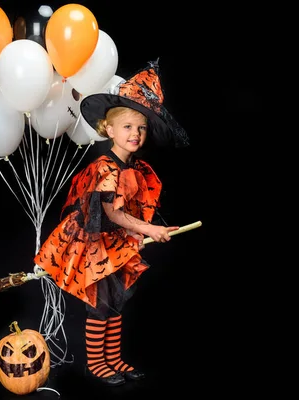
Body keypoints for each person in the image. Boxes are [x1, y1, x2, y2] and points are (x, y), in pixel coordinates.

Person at [34, 59, 189, 386]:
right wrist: (150, 230)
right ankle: (96, 363)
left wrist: (143, 229)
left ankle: (114, 358)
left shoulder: (130, 169)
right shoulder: (107, 169)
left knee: (116, 304)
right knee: (101, 305)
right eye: (128, 126)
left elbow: (127, 211)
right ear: (110, 129)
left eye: (141, 127)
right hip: (95, 249)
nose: (135, 134)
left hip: (116, 246)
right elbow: (111, 213)